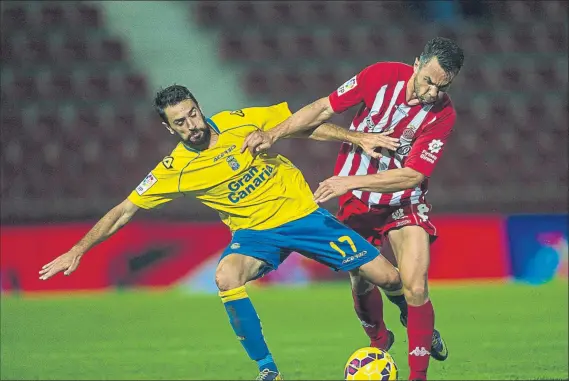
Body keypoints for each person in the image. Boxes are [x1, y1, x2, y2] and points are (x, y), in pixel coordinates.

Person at [39, 85, 404, 381]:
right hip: (255, 234)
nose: (191, 125)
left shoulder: (239, 120)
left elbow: (300, 124)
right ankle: (267, 369)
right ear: (170, 129)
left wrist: (355, 137)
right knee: (226, 276)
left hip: (303, 215)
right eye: (180, 122)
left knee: (389, 278)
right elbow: (124, 210)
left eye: (193, 114)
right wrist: (78, 250)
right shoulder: (174, 169)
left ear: (200, 106)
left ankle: (407, 316)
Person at [242, 37, 465, 380]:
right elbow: (322, 108)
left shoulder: (442, 114)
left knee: (416, 286)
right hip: (356, 204)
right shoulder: (380, 76)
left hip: (402, 201)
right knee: (362, 281)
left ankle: (417, 374)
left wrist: (350, 181)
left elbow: (413, 174)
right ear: (417, 63)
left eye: (443, 86)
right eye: (429, 81)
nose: (433, 92)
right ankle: (380, 339)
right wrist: (274, 134)